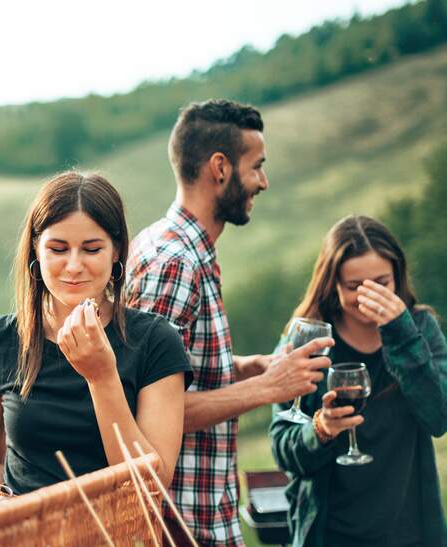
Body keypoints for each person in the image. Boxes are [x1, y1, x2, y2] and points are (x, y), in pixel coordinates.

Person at [125, 99, 333, 546]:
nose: (263, 181)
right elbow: (149, 409)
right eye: (256, 166)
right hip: (176, 526)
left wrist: (245, 367)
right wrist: (270, 387)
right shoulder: (175, 262)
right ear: (220, 167)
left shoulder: (179, 249)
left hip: (195, 520)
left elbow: (170, 373)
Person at [0, 171, 194, 544]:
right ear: (35, 249)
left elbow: (150, 486)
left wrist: (102, 378)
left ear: (116, 251)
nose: (73, 265)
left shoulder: (155, 341)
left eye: (91, 248)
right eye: (58, 248)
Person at [269, 215, 447, 547]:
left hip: (409, 535)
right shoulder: (308, 339)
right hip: (329, 535)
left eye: (381, 283)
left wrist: (400, 334)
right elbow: (283, 449)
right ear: (332, 284)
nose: (367, 295)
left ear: (397, 278)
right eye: (354, 286)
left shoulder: (421, 330)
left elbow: (440, 417)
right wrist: (320, 431)